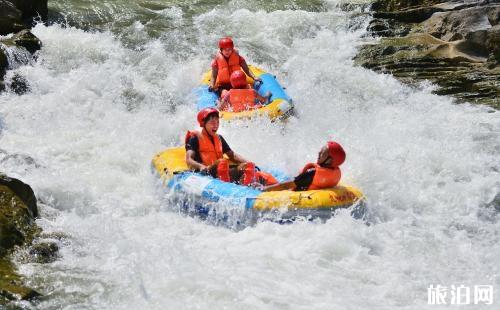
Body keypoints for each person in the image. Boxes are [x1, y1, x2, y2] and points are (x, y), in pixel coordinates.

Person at [185, 108, 277, 186]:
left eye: (217, 122)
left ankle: (247, 187)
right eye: (212, 122)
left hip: (222, 171)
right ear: (203, 123)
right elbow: (189, 159)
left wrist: (250, 163)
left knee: (248, 166)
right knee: (221, 162)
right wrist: (200, 166)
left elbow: (232, 155)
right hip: (208, 172)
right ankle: (225, 187)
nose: (216, 125)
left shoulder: (219, 138)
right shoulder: (195, 138)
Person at [263, 141, 345, 192]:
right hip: (305, 185)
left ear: (329, 160)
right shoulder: (335, 172)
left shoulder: (312, 173)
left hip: (296, 192)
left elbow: (286, 186)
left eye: (323, 152)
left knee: (264, 179)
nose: (319, 152)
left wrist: (264, 190)